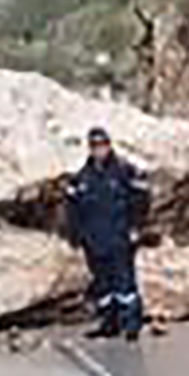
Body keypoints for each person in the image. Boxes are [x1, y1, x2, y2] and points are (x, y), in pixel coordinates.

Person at [65, 126, 151, 341]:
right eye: (95, 146)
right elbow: (72, 208)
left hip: (120, 236)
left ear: (109, 146)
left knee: (125, 285)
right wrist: (75, 235)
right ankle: (108, 323)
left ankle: (131, 325)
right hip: (94, 240)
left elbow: (142, 200)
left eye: (102, 145)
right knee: (102, 285)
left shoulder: (124, 171)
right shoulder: (82, 177)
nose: (99, 150)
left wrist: (136, 227)